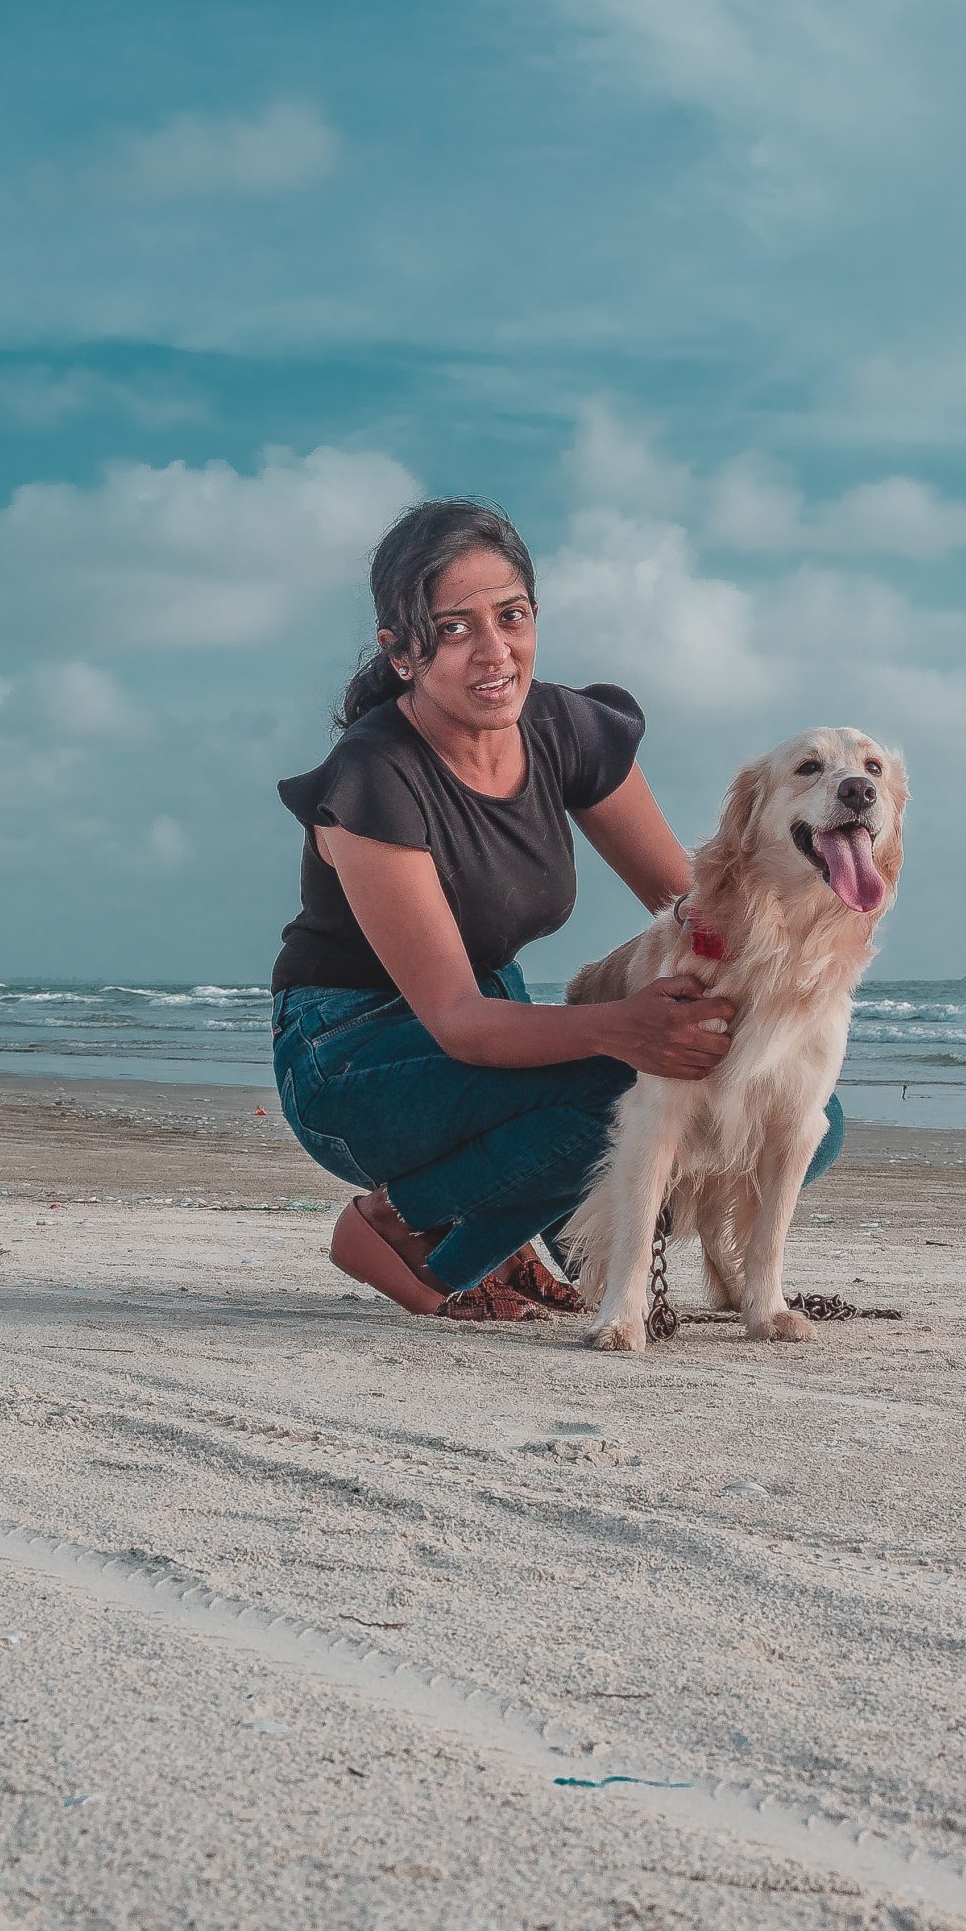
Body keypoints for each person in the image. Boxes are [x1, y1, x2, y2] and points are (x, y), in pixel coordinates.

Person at [269, 498, 844, 1321]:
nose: (495, 652)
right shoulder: (373, 782)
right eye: (455, 629)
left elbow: (687, 902)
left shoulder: (566, 726)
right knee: (623, 1086)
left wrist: (796, 945)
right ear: (401, 653)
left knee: (802, 1111)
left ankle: (545, 1233)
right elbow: (458, 1022)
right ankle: (405, 1232)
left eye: (512, 616)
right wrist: (626, 1027)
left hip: (495, 1022)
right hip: (350, 1056)